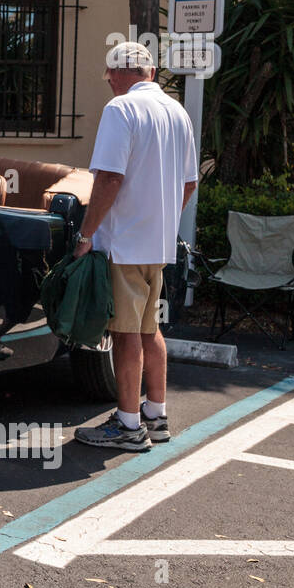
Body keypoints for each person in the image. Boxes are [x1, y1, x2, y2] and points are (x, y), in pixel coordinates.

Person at [72, 42, 198, 451]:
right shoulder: (177, 112)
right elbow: (189, 182)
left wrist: (86, 234)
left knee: (125, 335)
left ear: (116, 73)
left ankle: (128, 427)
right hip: (157, 244)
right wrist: (162, 221)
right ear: (152, 71)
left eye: (109, 74)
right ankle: (155, 416)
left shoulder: (120, 110)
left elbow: (109, 178)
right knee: (149, 330)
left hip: (123, 241)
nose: (108, 82)